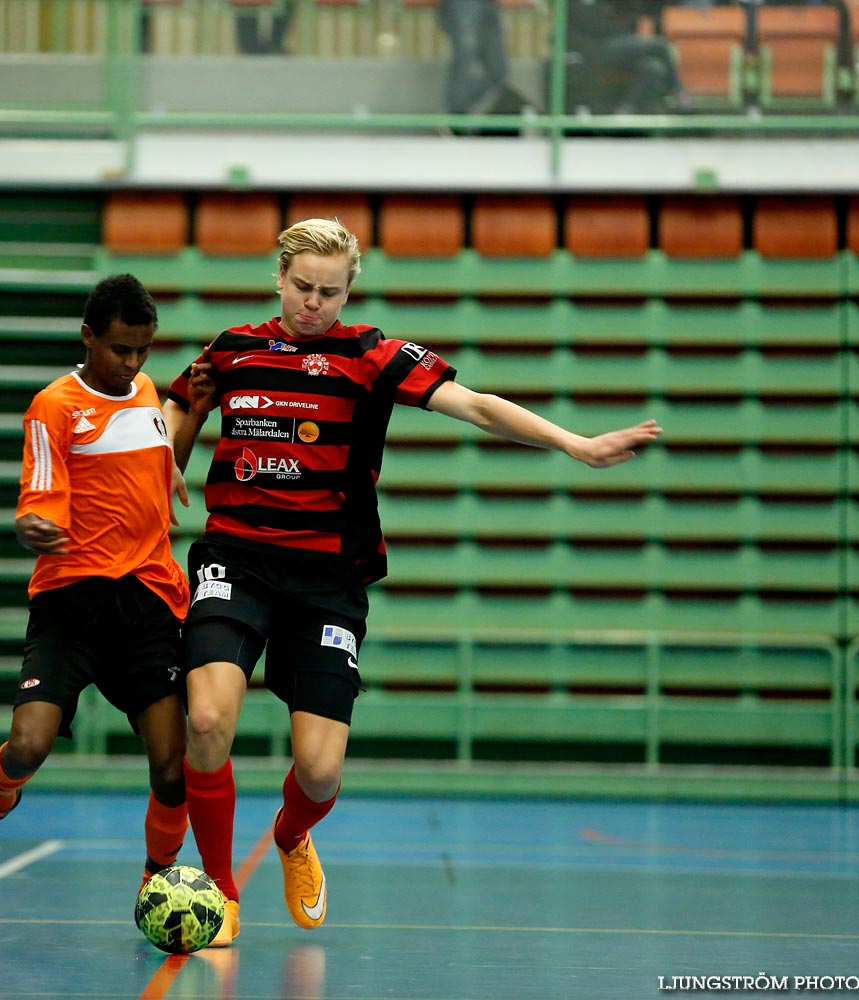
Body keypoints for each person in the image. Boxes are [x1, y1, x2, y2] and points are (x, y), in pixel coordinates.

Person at [161, 218, 661, 946]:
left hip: (329, 575)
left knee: (321, 771)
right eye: (302, 287)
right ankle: (222, 892)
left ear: (349, 290)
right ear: (279, 278)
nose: (314, 304)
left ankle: (293, 836)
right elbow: (182, 404)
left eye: (330, 292)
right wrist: (169, 454)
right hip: (235, 556)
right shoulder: (233, 348)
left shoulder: (371, 354)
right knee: (206, 721)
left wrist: (574, 444)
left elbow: (479, 406)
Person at [0, 274, 205, 897]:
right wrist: (32, 527)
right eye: (119, 349)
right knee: (28, 745)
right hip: (71, 601)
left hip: (148, 600)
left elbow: (163, 473)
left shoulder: (145, 393)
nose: (131, 363)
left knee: (172, 765)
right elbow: (40, 503)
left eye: (142, 349)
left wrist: (198, 414)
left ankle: (157, 881)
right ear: (87, 337)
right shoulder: (53, 406)